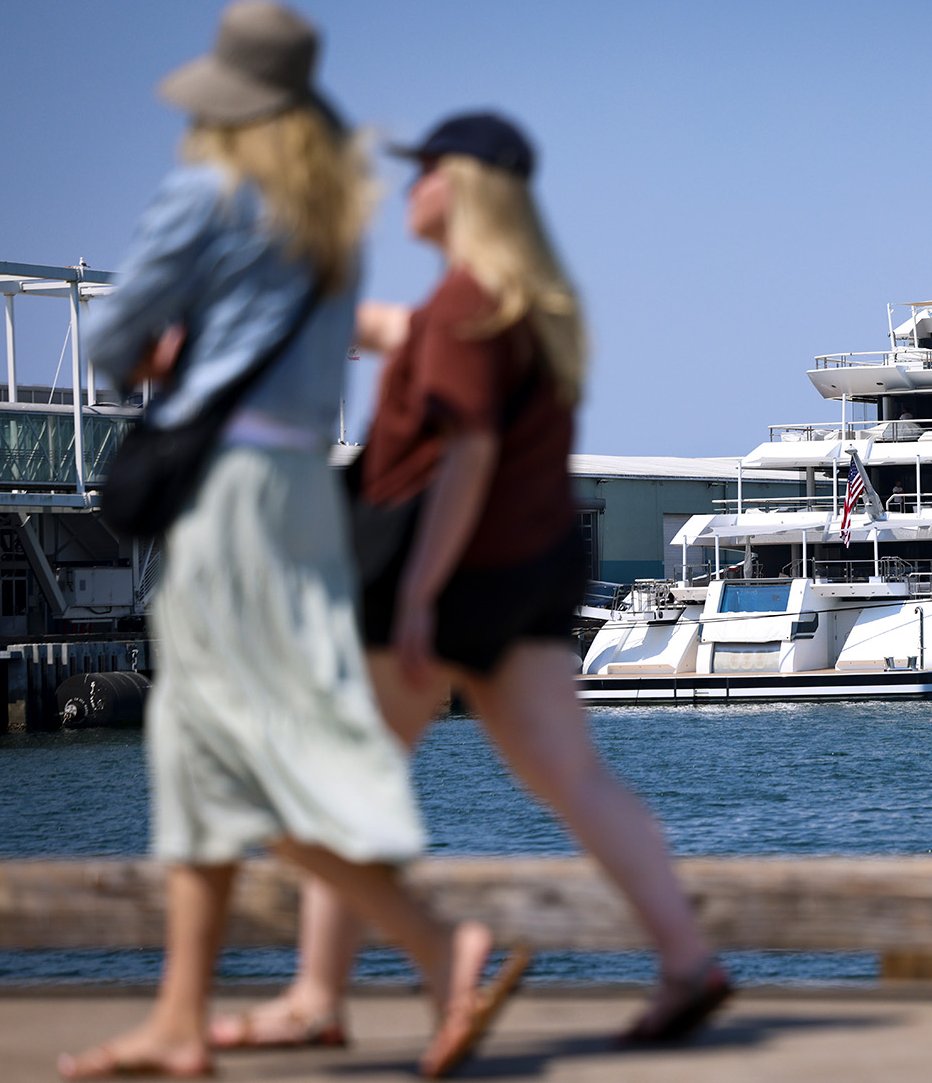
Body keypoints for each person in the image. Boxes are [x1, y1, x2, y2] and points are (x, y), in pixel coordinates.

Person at [208, 111, 731, 1053]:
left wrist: (414, 596)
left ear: (464, 188)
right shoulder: (523, 308)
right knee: (573, 778)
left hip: (442, 582)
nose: (407, 190)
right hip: (530, 580)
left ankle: (363, 983)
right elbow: (393, 331)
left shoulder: (460, 306)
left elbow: (468, 448)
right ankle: (688, 958)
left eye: (423, 173)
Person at [59, 0, 513, 1080]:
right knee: (214, 750)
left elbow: (114, 340)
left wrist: (173, 352)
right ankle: (180, 1017)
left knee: (231, 747)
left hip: (229, 493)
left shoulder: (209, 192)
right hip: (308, 488)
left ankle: (440, 950)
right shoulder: (331, 216)